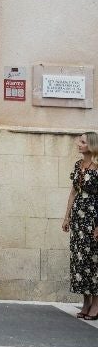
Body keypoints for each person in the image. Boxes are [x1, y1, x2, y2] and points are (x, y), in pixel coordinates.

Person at [61, 131, 98, 319]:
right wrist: (66, 216)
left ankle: (96, 305)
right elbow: (74, 192)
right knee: (80, 261)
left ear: (91, 145)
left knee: (93, 261)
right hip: (78, 220)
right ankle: (86, 302)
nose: (78, 144)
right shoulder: (78, 165)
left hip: (93, 219)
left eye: (82, 142)